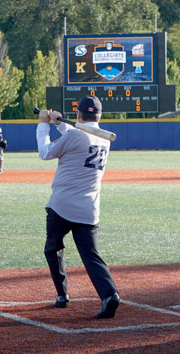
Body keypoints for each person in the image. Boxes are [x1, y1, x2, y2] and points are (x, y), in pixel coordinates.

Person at [36, 95, 120, 319]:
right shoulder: (103, 139)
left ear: (79, 115)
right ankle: (109, 294)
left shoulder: (75, 135)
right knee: (91, 255)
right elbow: (75, 138)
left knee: (52, 248)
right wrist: (59, 123)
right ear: (98, 116)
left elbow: (45, 152)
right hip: (89, 208)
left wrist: (44, 124)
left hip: (62, 205)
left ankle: (62, 295)